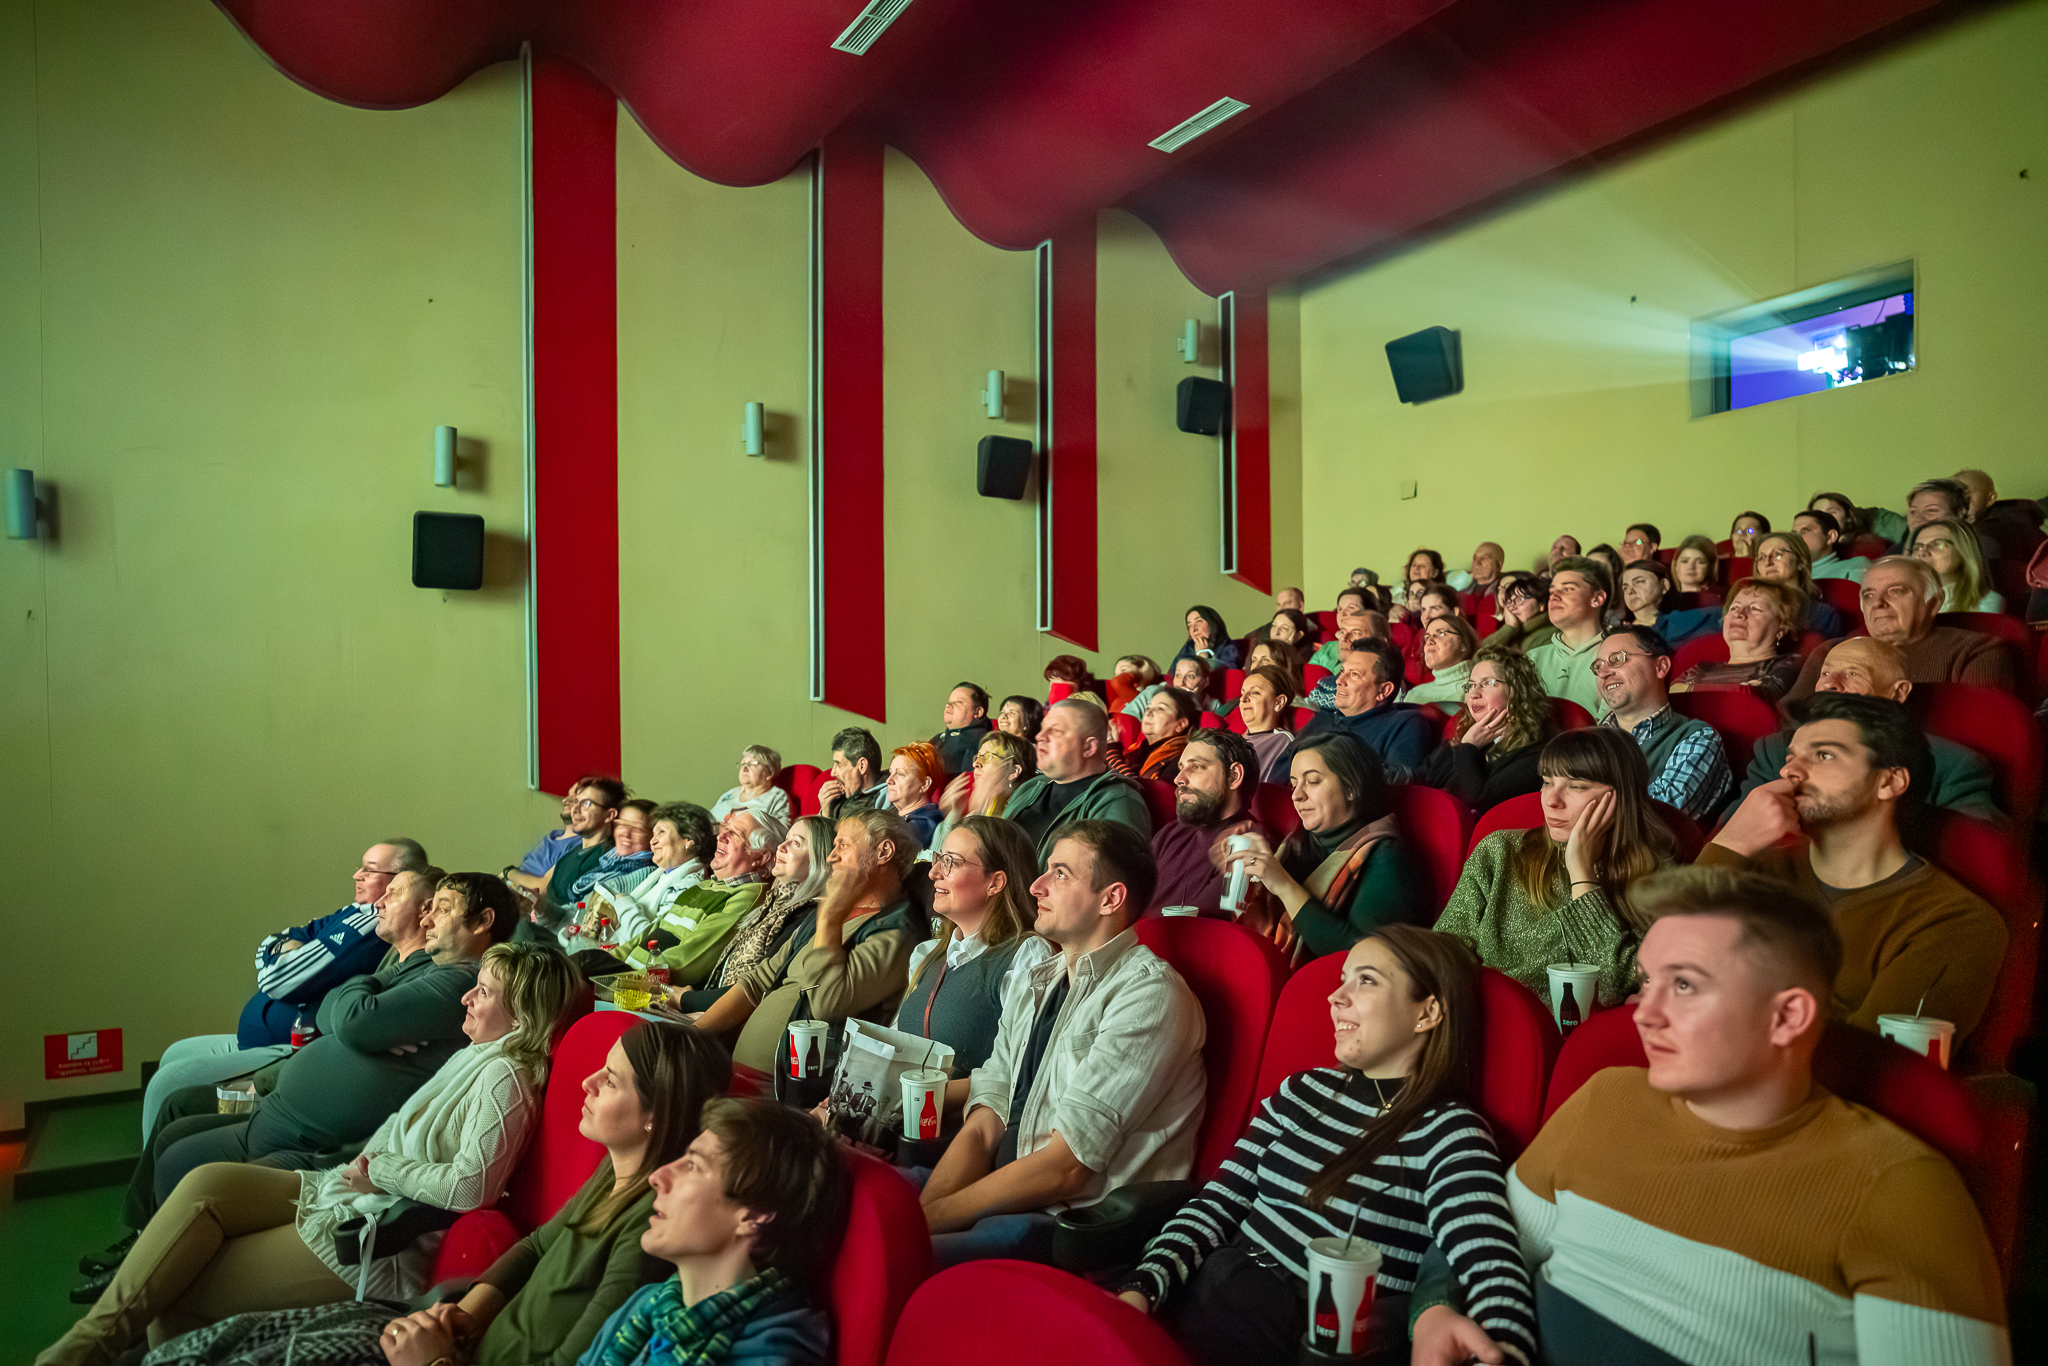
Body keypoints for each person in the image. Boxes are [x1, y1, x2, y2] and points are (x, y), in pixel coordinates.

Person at [1446, 866, 2009, 1366]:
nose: (1644, 1013)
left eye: (1684, 985)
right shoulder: (1605, 1097)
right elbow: (1482, 1248)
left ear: (1787, 1017)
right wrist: (1433, 1312)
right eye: (1647, 982)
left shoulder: (1901, 1189)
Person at [43, 943, 583, 1366]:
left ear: (521, 1017)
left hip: (379, 1232)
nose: (466, 999)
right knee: (208, 1183)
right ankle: (89, 1345)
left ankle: (81, 1353)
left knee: (175, 1288)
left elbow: (472, 1188)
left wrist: (383, 1169)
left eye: (483, 993)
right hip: (345, 1187)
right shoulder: (479, 1053)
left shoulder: (504, 1080)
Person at [151, 1021, 732, 1366]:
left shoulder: (649, 1230)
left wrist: (434, 1358)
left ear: (658, 1113)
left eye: (611, 1080)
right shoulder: (616, 1174)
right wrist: (467, 1314)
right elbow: (532, 1250)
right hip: (449, 1336)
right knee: (222, 1340)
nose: (586, 1082)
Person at [1117, 928, 1538, 1366]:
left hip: (1303, 1343)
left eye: (1367, 980)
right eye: (1343, 979)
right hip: (1207, 1298)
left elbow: (1489, 1264)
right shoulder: (1302, 1092)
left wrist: (1502, 1352)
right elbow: (1219, 1203)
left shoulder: (1449, 1131)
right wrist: (1144, 1285)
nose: (1336, 996)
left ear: (1428, 1012)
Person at [104, 874, 515, 1275]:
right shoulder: (422, 964)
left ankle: (151, 1272)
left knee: (180, 1147)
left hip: (308, 1137)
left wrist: (359, 1014)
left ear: (482, 922)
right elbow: (332, 1013)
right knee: (177, 1127)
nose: (427, 920)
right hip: (277, 1109)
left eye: (439, 909)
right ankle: (142, 1255)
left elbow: (353, 1022)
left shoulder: (458, 982)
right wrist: (361, 1003)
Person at [917, 822, 1206, 1269]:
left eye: (1061, 874)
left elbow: (1066, 1168)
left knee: (885, 1254)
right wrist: (925, 1213)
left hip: (1058, 1221)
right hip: (997, 1185)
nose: (1035, 885)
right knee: (842, 1198)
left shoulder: (1149, 996)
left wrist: (923, 1223)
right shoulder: (1040, 978)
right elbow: (986, 1120)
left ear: (1110, 898)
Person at [1698, 693, 2007, 1041]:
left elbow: (1872, 1067)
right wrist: (1732, 843)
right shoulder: (1753, 865)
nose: (1789, 771)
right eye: (1791, 757)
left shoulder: (1954, 920)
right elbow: (1655, 960)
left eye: (1824, 755)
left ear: (1889, 782)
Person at [142, 840, 431, 1140]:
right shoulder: (352, 912)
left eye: (369, 871)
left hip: (286, 1051)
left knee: (168, 1084)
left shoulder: (372, 925)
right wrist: (283, 949)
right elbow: (285, 937)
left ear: (402, 882)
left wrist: (282, 956)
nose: (356, 875)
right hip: (255, 1041)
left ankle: (166, 1160)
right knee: (174, 1055)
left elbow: (279, 979)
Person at [569, 1098, 850, 1366]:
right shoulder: (647, 1305)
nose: (657, 1177)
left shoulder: (772, 1354)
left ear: (754, 1213)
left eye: (693, 1165)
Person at [1433, 729, 1676, 1010]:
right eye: (1547, 782)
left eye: (1576, 786)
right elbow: (1441, 954)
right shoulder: (1500, 851)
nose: (1551, 800)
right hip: (1485, 1023)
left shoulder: (1659, 879)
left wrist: (1582, 874)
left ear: (1621, 796)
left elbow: (1611, 988)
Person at [691, 810, 924, 1076]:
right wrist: (692, 1035)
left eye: (843, 845)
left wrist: (831, 917)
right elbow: (755, 983)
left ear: (883, 851)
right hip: (734, 1072)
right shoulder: (828, 913)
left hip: (790, 1093)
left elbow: (827, 1002)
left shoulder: (897, 932)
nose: (831, 856)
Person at [1740, 637, 2001, 821]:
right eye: (1825, 673)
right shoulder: (1774, 752)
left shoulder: (1953, 766)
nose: (1831, 685)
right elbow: (1730, 835)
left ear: (1897, 692)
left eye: (1853, 674)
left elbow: (1980, 862)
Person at [1227, 733, 1425, 963]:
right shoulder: (1296, 843)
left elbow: (1361, 957)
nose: (1297, 795)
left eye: (1312, 782)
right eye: (1293, 784)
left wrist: (1283, 885)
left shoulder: (1386, 860)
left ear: (1352, 787)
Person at [895, 816, 1053, 1085]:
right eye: (938, 859)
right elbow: (893, 1046)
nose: (934, 873)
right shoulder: (926, 954)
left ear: (995, 882)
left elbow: (1017, 1070)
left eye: (951, 862)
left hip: (968, 1123)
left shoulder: (1027, 954)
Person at [1785, 556, 2021, 701]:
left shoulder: (1978, 651)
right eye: (1868, 595)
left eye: (1896, 591)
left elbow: (1978, 731)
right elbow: (1789, 719)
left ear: (1934, 602)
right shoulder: (1832, 650)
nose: (1878, 603)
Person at [668, 816, 836, 1010]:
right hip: (709, 1005)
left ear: (821, 860)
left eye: (796, 843)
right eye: (786, 838)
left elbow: (759, 987)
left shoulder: (804, 915)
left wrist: (687, 999)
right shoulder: (772, 904)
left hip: (726, 1017)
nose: (782, 847)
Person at [617, 808, 784, 981]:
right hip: (626, 972)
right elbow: (649, 933)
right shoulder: (705, 885)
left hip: (640, 984)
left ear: (761, 857)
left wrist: (618, 979)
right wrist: (610, 959)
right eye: (724, 830)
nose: (720, 837)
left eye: (734, 834)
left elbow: (684, 962)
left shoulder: (747, 895)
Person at [1593, 625, 1735, 821]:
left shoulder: (1698, 738)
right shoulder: (1588, 737)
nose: (1603, 673)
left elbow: (1658, 817)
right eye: (1598, 666)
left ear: (1660, 667)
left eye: (1617, 659)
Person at [1002, 698, 1151, 860]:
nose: (1040, 737)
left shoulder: (1120, 802)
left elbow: (1107, 877)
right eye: (1042, 729)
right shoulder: (1030, 786)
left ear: (1089, 747)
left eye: (1056, 731)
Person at [1416, 647, 1555, 814]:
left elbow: (1477, 803)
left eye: (1487, 683)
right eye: (1471, 685)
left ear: (1516, 690)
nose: (1474, 693)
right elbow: (1428, 781)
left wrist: (1468, 747)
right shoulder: (1469, 735)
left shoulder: (1538, 756)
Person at [1280, 638, 1439, 784]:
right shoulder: (1325, 717)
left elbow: (1393, 790)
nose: (1339, 681)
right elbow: (1281, 771)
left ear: (1383, 691)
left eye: (1354, 675)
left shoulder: (1407, 724)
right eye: (1342, 671)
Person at [1148, 729, 1268, 917]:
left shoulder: (1248, 846)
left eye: (1195, 767)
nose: (1179, 779)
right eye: (1181, 768)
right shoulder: (1170, 832)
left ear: (1235, 776)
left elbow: (1199, 932)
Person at [566, 801, 714, 953]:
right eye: (654, 833)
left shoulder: (688, 888)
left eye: (662, 832)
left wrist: (625, 904)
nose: (653, 841)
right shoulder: (659, 874)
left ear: (688, 841)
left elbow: (655, 944)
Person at [1670, 578, 1806, 704]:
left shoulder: (1789, 665)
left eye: (1755, 608)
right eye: (1734, 607)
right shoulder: (1702, 667)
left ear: (1783, 626)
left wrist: (1690, 689)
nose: (1738, 613)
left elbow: (1754, 698)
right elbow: (1670, 695)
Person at [524, 779, 625, 921]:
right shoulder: (569, 854)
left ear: (609, 815)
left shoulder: (608, 859)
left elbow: (576, 916)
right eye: (575, 802)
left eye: (586, 803)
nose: (575, 810)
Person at [928, 729, 1036, 855]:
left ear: (1013, 771)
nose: (975, 763)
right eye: (978, 756)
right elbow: (935, 865)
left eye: (987, 757)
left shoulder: (1020, 821)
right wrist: (953, 816)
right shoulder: (971, 816)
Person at [1526, 557, 1610, 717]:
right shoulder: (1533, 658)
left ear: (1597, 598)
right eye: (1551, 591)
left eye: (1568, 589)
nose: (1554, 596)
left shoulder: (1616, 657)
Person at [1749, 531, 1848, 636]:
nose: (1767, 562)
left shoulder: (1822, 614)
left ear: (1800, 562)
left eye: (1778, 554)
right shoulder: (1744, 608)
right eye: (1762, 557)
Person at [1910, 516, 2004, 613]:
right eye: (1917, 548)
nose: (1923, 552)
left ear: (1963, 552)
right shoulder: (1902, 600)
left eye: (1937, 544)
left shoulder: (1987, 602)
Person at [1235, 664, 1298, 783]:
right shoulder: (1235, 741)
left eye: (1255, 693)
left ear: (1279, 702)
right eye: (1242, 693)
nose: (1244, 699)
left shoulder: (1284, 742)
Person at [1402, 616, 1478, 713]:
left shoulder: (1478, 690)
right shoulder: (1414, 694)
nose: (1429, 641)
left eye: (1441, 633)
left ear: (1463, 644)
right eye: (1427, 637)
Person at [510, 787, 584, 884]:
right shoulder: (553, 835)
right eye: (567, 796)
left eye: (574, 798)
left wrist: (509, 873)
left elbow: (546, 887)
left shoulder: (579, 845)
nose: (564, 800)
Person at [885, 741, 949, 849]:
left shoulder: (925, 824)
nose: (889, 781)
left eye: (900, 773)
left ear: (924, 784)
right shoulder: (893, 814)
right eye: (890, 773)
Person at [709, 746, 794, 826]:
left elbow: (782, 834)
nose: (745, 768)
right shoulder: (730, 794)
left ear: (769, 772)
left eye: (752, 764)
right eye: (742, 764)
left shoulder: (777, 797)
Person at [815, 727, 886, 821]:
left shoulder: (887, 800)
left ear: (862, 766)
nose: (832, 773)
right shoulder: (836, 801)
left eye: (839, 764)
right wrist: (825, 814)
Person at [1134, 687, 1199, 781]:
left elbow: (1134, 790)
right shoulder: (1140, 749)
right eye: (1148, 707)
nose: (1149, 712)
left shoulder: (1178, 763)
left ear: (1180, 724)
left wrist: (1112, 751)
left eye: (1160, 708)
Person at [1479, 573, 1555, 652]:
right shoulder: (1515, 633)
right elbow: (1479, 654)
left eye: (1520, 600)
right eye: (1510, 600)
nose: (1512, 606)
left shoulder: (1547, 637)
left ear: (1541, 604)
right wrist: (1510, 627)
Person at [1794, 507, 1871, 583]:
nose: (1795, 538)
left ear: (1831, 536)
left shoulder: (1856, 566)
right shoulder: (1789, 572)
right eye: (1793, 534)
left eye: (1805, 531)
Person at [933, 681, 995, 775]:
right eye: (949, 702)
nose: (948, 706)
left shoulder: (988, 745)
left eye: (958, 702)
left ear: (978, 712)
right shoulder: (937, 740)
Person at [1174, 604, 1240, 670]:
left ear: (1213, 624)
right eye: (1189, 625)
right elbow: (1172, 676)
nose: (1194, 629)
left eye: (1199, 621)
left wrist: (1202, 657)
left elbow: (1228, 675)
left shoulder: (1230, 650)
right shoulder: (1188, 648)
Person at [1615, 557, 1671, 631]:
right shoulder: (1620, 633)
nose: (1630, 591)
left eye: (1639, 582)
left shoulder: (1681, 625)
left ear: (1664, 585)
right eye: (1625, 587)